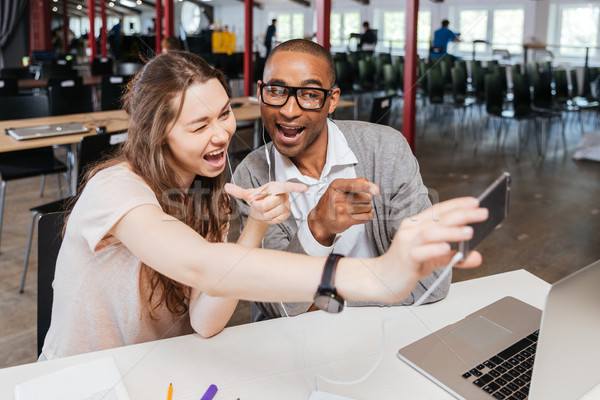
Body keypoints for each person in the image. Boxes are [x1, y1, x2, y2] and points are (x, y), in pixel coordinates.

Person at [40, 50, 486, 360]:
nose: (221, 135)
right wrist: (376, 278)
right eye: (199, 126)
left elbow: (205, 322)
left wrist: (253, 226)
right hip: (82, 380)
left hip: (165, 371)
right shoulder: (115, 189)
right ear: (159, 134)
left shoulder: (210, 193)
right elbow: (201, 265)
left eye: (224, 114)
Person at [232, 39, 467, 321]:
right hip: (294, 347)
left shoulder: (386, 150)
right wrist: (318, 227)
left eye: (309, 94)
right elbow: (281, 306)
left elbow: (434, 281)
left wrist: (322, 304)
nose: (289, 110)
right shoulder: (250, 174)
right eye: (277, 90)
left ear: (331, 101)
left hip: (388, 331)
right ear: (260, 93)